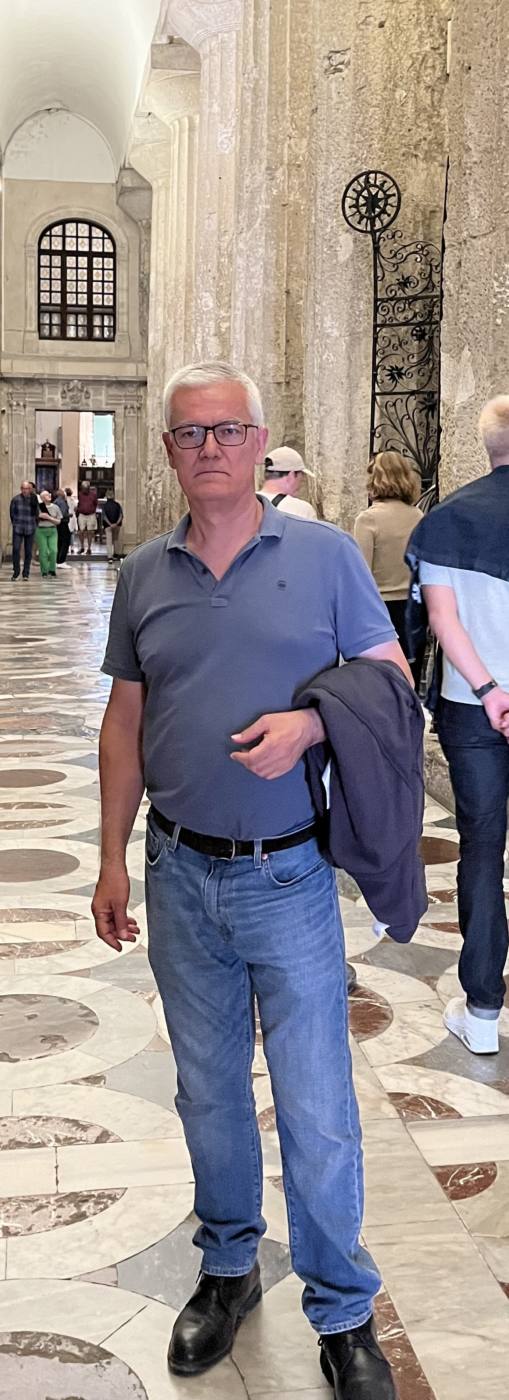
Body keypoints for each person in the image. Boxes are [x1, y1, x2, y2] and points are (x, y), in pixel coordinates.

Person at [92, 361, 410, 1399]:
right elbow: (126, 722)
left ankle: (342, 1310)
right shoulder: (144, 573)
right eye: (190, 433)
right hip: (178, 872)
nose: (211, 448)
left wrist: (312, 724)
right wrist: (110, 855)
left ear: (259, 442)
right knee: (209, 1091)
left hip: (288, 875)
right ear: (169, 451)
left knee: (315, 1100)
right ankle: (229, 1267)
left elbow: (390, 678)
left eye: (228, 429)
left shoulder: (322, 557)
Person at [409, 395, 509, 1057]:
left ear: (485, 445)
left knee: (481, 849)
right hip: (483, 702)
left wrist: (489, 690)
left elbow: (441, 621)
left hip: (472, 707)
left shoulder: (447, 519)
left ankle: (481, 1010)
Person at [354, 452, 424, 687]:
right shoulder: (418, 516)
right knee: (410, 674)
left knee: (380, 679)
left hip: (380, 607)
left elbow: (361, 573)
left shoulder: (368, 520)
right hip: (412, 606)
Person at [260, 445, 317, 519]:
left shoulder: (247, 503)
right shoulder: (302, 510)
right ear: (291, 475)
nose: (302, 481)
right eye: (302, 475)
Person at [9, 480, 39, 580]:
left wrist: (35, 524)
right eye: (24, 488)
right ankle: (16, 571)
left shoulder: (33, 499)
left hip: (30, 527)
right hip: (18, 527)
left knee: (28, 551)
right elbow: (12, 514)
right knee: (16, 549)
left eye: (27, 489)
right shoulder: (15, 499)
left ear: (30, 489)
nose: (25, 490)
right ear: (21, 489)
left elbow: (37, 513)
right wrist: (15, 523)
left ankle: (26, 573)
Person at [35, 490, 60, 578]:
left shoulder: (56, 507)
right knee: (43, 551)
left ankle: (52, 569)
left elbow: (58, 521)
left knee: (53, 550)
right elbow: (35, 518)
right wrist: (39, 516)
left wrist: (49, 518)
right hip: (41, 530)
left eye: (49, 494)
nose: (49, 495)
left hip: (52, 530)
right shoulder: (38, 507)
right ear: (42, 498)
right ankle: (44, 571)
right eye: (46, 495)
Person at [102, 487, 123, 561]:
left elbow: (104, 516)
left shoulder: (104, 506)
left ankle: (110, 557)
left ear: (106, 496)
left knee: (109, 541)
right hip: (117, 525)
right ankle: (116, 554)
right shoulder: (118, 505)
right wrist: (116, 523)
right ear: (113, 496)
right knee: (116, 539)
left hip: (108, 526)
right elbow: (121, 515)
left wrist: (110, 524)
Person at [77, 480, 98, 555]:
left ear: (88, 488)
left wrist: (92, 509)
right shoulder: (80, 494)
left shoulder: (93, 495)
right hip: (82, 514)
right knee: (81, 531)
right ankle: (82, 547)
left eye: (85, 488)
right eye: (83, 488)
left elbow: (95, 503)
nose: (84, 490)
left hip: (91, 514)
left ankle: (89, 548)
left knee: (90, 532)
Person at [54, 487, 71, 565]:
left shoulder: (55, 501)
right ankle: (61, 560)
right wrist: (69, 515)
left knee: (59, 542)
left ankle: (57, 559)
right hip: (63, 523)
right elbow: (63, 514)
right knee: (65, 541)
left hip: (57, 524)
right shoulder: (61, 502)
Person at [65, 486, 78, 554]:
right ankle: (72, 547)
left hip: (67, 516)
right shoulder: (73, 500)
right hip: (72, 517)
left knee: (66, 533)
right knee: (72, 533)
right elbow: (76, 508)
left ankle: (67, 548)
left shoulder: (64, 500)